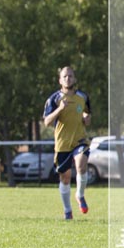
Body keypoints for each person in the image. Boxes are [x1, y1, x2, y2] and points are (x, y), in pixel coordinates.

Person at [43, 66, 91, 220]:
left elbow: (87, 115)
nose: (68, 78)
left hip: (79, 140)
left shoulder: (83, 97)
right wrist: (59, 109)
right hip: (62, 143)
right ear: (60, 80)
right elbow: (47, 122)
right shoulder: (54, 99)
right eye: (65, 76)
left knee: (81, 164)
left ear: (74, 79)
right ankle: (67, 211)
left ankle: (80, 195)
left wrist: (86, 119)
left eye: (70, 76)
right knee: (65, 178)